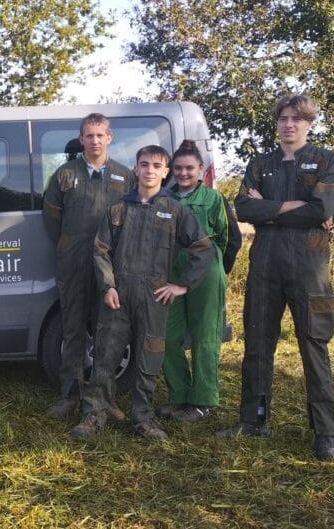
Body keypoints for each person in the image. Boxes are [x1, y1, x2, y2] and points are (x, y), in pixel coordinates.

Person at [216, 94, 334, 464]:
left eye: (296, 119)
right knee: (257, 346)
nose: (288, 124)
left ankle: (326, 435)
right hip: (266, 266)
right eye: (283, 119)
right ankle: (253, 421)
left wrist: (270, 210)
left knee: (314, 347)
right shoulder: (260, 163)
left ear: (308, 123)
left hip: (310, 267)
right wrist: (293, 207)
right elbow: (243, 208)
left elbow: (323, 208)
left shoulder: (326, 159)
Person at [72, 145, 214, 440]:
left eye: (156, 166)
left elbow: (203, 248)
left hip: (154, 295)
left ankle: (143, 418)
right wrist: (108, 285)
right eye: (144, 164)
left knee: (149, 358)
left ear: (165, 172)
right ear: (136, 169)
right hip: (118, 295)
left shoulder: (175, 210)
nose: (150, 170)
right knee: (106, 354)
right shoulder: (118, 209)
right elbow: (100, 250)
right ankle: (94, 414)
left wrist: (182, 285)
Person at [42, 113, 134, 420]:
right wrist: (70, 246)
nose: (94, 140)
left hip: (110, 265)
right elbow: (52, 218)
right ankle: (70, 395)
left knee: (108, 333)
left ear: (110, 138)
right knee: (73, 328)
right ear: (81, 139)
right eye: (89, 135)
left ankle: (104, 398)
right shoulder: (65, 175)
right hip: (74, 263)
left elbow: (133, 220)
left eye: (100, 135)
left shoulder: (125, 176)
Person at [156, 140, 237, 424]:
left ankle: (202, 401)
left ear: (201, 169)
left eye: (189, 168)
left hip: (206, 271)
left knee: (205, 336)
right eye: (178, 168)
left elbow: (229, 239)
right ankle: (178, 396)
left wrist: (218, 272)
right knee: (166, 335)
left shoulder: (214, 199)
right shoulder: (164, 199)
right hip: (172, 272)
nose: (184, 173)